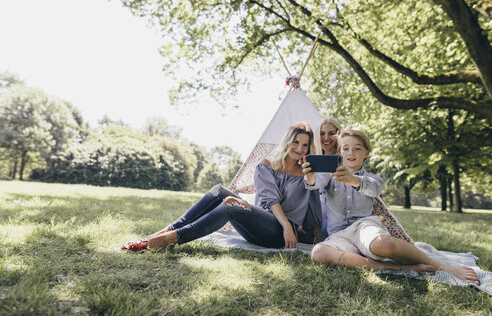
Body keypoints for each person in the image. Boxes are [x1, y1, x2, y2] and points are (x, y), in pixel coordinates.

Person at [302, 128, 480, 285]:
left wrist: (354, 180)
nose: (351, 153)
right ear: (339, 153)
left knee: (386, 245)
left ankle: (443, 267)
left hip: (365, 227)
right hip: (340, 235)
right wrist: (309, 177)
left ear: (367, 153)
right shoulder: (329, 176)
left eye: (357, 148)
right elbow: (315, 182)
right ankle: (394, 268)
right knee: (319, 252)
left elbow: (373, 189)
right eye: (346, 148)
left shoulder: (372, 178)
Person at [122, 122, 323, 252]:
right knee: (219, 191)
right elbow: (270, 200)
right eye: (296, 142)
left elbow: (314, 211)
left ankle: (171, 238)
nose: (299, 148)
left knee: (231, 205)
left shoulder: (307, 173)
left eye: (305, 145)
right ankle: (162, 232)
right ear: (288, 142)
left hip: (281, 234)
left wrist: (297, 227)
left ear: (309, 148)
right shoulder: (266, 165)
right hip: (263, 222)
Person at [313, 117, 342, 238]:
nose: (326, 138)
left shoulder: (345, 159)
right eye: (322, 134)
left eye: (331, 133)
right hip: (318, 213)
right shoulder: (313, 158)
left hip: (339, 212)